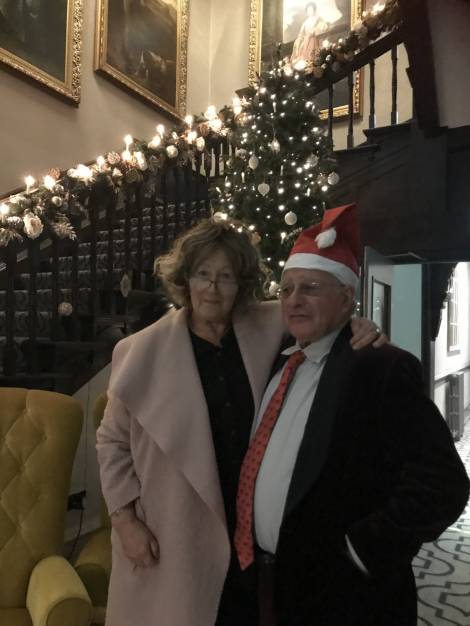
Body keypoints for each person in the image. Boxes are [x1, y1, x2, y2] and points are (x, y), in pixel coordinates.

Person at [96, 216, 386, 626]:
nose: (212, 289)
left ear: (242, 284)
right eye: (202, 274)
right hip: (171, 529)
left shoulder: (268, 325)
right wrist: (125, 521)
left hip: (248, 532)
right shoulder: (139, 351)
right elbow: (111, 442)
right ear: (185, 279)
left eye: (226, 277)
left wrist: (357, 324)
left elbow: (320, 318)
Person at [234, 203, 470, 626]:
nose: (293, 301)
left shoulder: (379, 367)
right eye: (286, 289)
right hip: (273, 584)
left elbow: (443, 484)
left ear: (346, 297)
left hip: (345, 598)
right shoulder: (280, 360)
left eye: (310, 288)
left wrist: (362, 550)